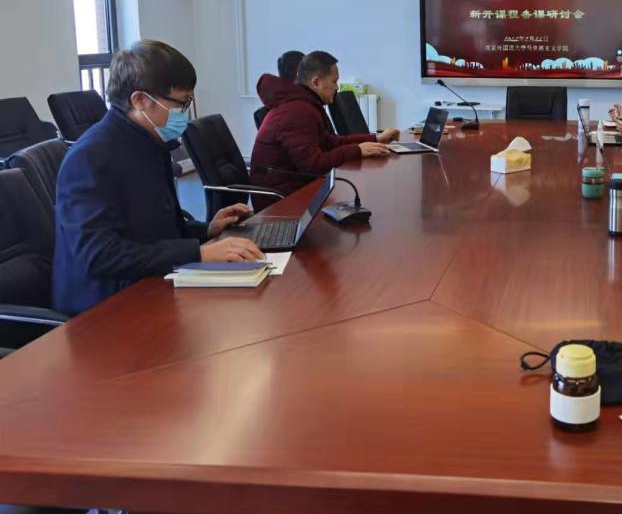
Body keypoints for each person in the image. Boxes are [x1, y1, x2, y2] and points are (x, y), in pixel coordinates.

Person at [53, 40, 263, 315]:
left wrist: (206, 231)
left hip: (149, 285)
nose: (185, 113)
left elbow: (157, 232)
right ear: (140, 100)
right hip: (104, 308)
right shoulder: (89, 159)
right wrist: (198, 253)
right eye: (181, 103)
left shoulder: (150, 143)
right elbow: (99, 256)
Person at [250, 50, 399, 209]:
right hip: (279, 203)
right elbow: (314, 164)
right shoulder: (297, 111)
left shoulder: (304, 105)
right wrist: (357, 150)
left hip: (296, 188)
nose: (337, 87)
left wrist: (375, 138)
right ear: (316, 83)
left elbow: (330, 142)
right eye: (334, 81)